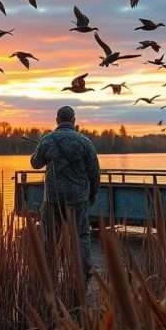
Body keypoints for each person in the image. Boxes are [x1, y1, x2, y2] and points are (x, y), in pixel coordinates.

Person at [30, 106, 100, 282]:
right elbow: (94, 173)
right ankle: (83, 272)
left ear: (57, 121)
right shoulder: (85, 142)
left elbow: (35, 163)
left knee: (50, 236)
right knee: (82, 236)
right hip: (78, 198)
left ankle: (49, 272)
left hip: (53, 198)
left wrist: (40, 147)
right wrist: (92, 194)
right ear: (74, 120)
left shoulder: (48, 140)